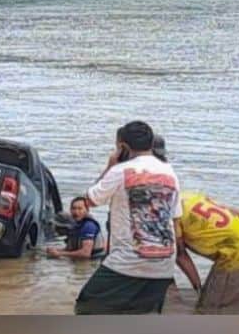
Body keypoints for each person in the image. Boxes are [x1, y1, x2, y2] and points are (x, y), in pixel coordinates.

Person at [74, 120, 182, 315]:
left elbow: (89, 200)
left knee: (86, 307)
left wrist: (110, 165)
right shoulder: (170, 173)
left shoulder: (119, 171)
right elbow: (175, 218)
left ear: (122, 147)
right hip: (164, 264)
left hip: (127, 263)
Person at [174, 192, 239, 314]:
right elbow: (226, 208)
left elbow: (180, 256)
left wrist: (199, 289)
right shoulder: (188, 196)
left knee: (207, 311)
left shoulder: (169, 216)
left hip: (236, 257)